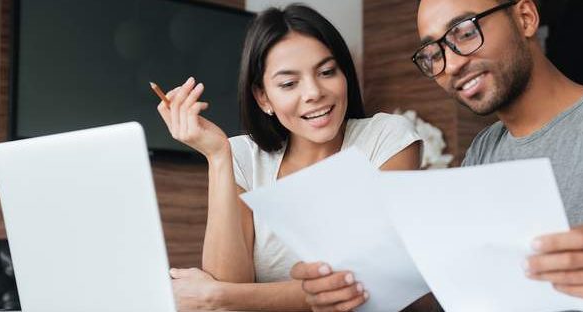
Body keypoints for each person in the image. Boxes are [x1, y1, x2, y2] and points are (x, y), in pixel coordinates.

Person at [293, 0, 583, 311]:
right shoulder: (483, 152)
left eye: (463, 31)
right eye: (432, 53)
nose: (451, 62)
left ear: (525, 17)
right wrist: (353, 288)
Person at [155, 4, 422, 311]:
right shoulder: (243, 156)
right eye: (288, 84)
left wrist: (217, 296)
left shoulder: (386, 138)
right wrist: (217, 157)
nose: (313, 92)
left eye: (326, 72)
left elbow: (372, 283)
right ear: (263, 97)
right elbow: (227, 283)